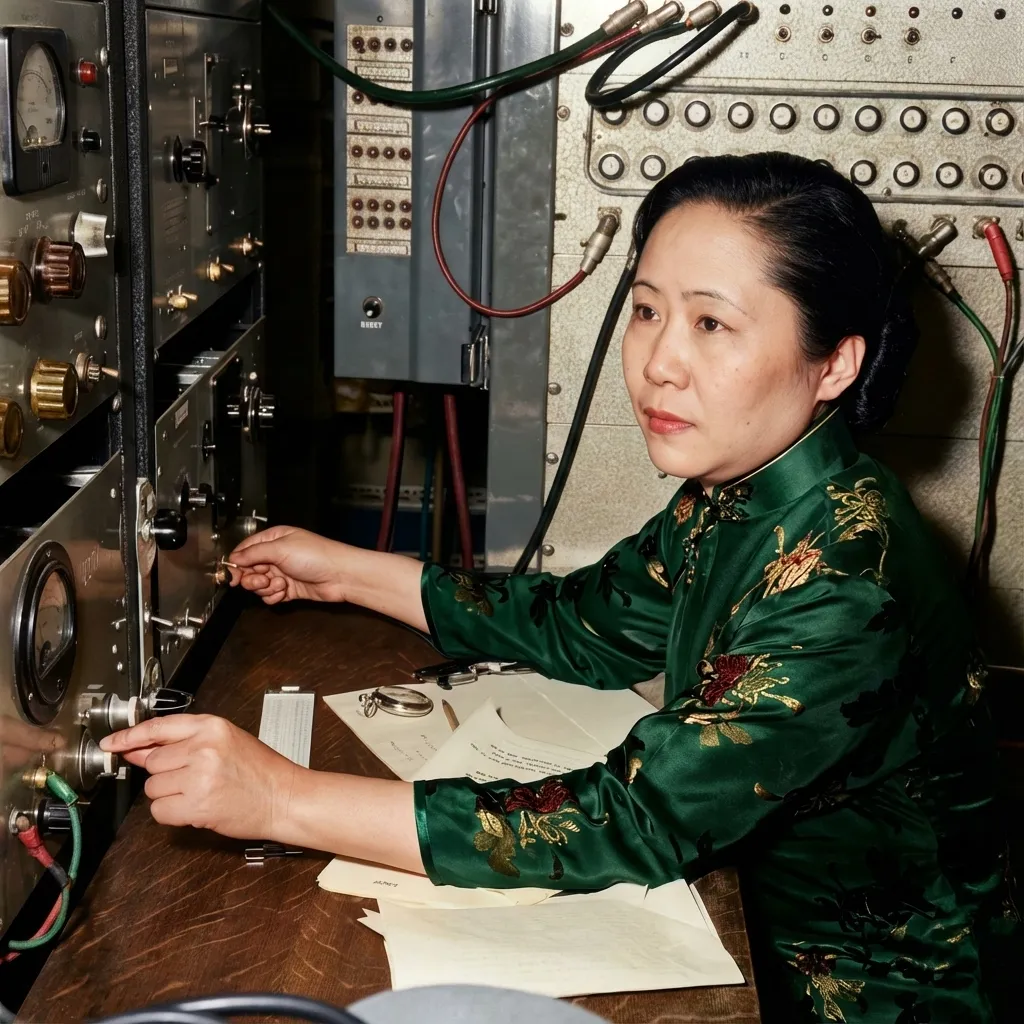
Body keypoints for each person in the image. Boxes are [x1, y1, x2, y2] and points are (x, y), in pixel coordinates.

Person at [101, 153, 1016, 1022]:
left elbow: (633, 817)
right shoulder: (746, 492)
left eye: (711, 323)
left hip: (866, 992)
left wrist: (280, 800)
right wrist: (344, 569)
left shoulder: (850, 579)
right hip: (757, 921)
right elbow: (588, 623)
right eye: (648, 310)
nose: (658, 360)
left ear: (835, 364)